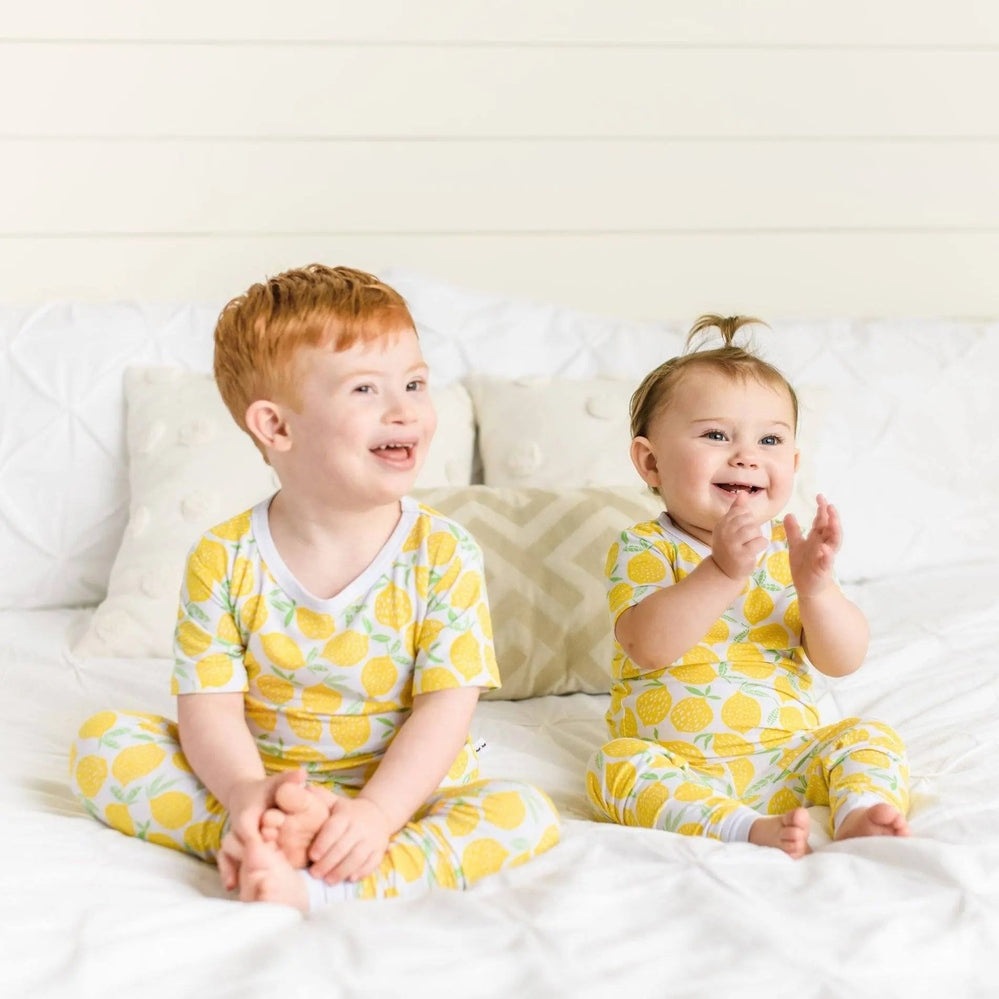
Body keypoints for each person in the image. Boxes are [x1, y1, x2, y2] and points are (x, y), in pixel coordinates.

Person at [70, 264, 560, 911]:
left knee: (524, 811)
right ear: (275, 427)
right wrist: (249, 795)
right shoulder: (223, 557)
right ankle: (259, 837)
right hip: (266, 773)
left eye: (414, 382)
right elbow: (210, 708)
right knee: (102, 746)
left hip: (401, 785)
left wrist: (378, 814)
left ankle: (345, 872)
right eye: (365, 388)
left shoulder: (441, 552)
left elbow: (445, 708)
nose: (404, 409)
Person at [585, 314, 910, 858]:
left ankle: (859, 811)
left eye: (770, 439)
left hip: (789, 756)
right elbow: (648, 646)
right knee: (613, 769)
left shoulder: (791, 555)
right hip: (677, 762)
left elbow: (843, 660)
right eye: (715, 435)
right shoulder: (645, 546)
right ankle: (738, 827)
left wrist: (818, 589)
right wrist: (721, 572)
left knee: (869, 735)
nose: (747, 455)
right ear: (650, 462)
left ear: (793, 463)